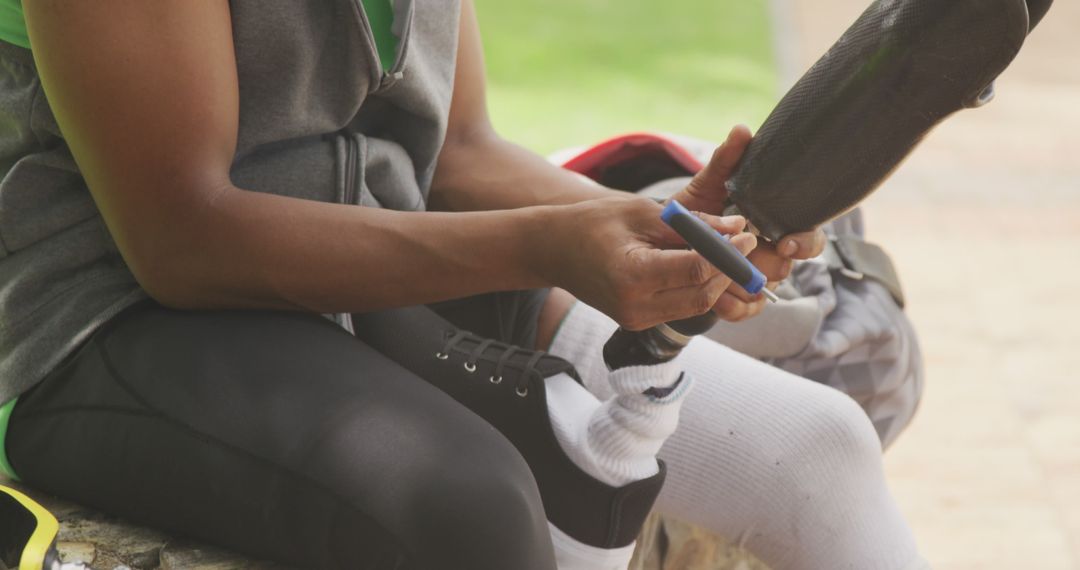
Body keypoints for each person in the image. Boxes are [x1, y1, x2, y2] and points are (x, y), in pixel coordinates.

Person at [0, 1, 928, 569]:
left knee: (816, 444)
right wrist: (553, 247)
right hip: (109, 314)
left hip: (375, 258)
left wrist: (682, 232)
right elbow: (183, 237)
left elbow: (461, 154)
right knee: (469, 508)